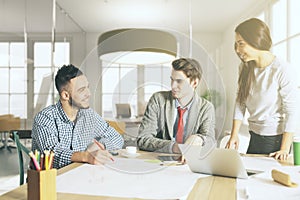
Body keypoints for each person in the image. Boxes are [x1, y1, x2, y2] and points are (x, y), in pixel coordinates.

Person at [225, 18, 297, 160]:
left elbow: (293, 111)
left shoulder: (281, 69)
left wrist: (284, 149)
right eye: (236, 44)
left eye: (241, 44)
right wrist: (234, 135)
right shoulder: (245, 67)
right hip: (255, 135)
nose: (237, 50)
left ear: (256, 41)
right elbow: (241, 101)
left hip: (276, 139)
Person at [32, 64, 124, 169]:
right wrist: (86, 156)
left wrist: (100, 146)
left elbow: (117, 138)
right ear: (65, 95)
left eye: (87, 87)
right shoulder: (45, 118)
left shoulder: (89, 115)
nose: (88, 94)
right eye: (81, 90)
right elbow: (53, 154)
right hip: (51, 180)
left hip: (80, 175)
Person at [137, 58, 216, 154]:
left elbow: (210, 142)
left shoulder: (206, 108)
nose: (173, 86)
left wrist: (200, 139)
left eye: (179, 81)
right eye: (172, 80)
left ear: (194, 83)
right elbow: (143, 139)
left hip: (189, 164)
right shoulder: (158, 100)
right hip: (158, 161)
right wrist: (174, 147)